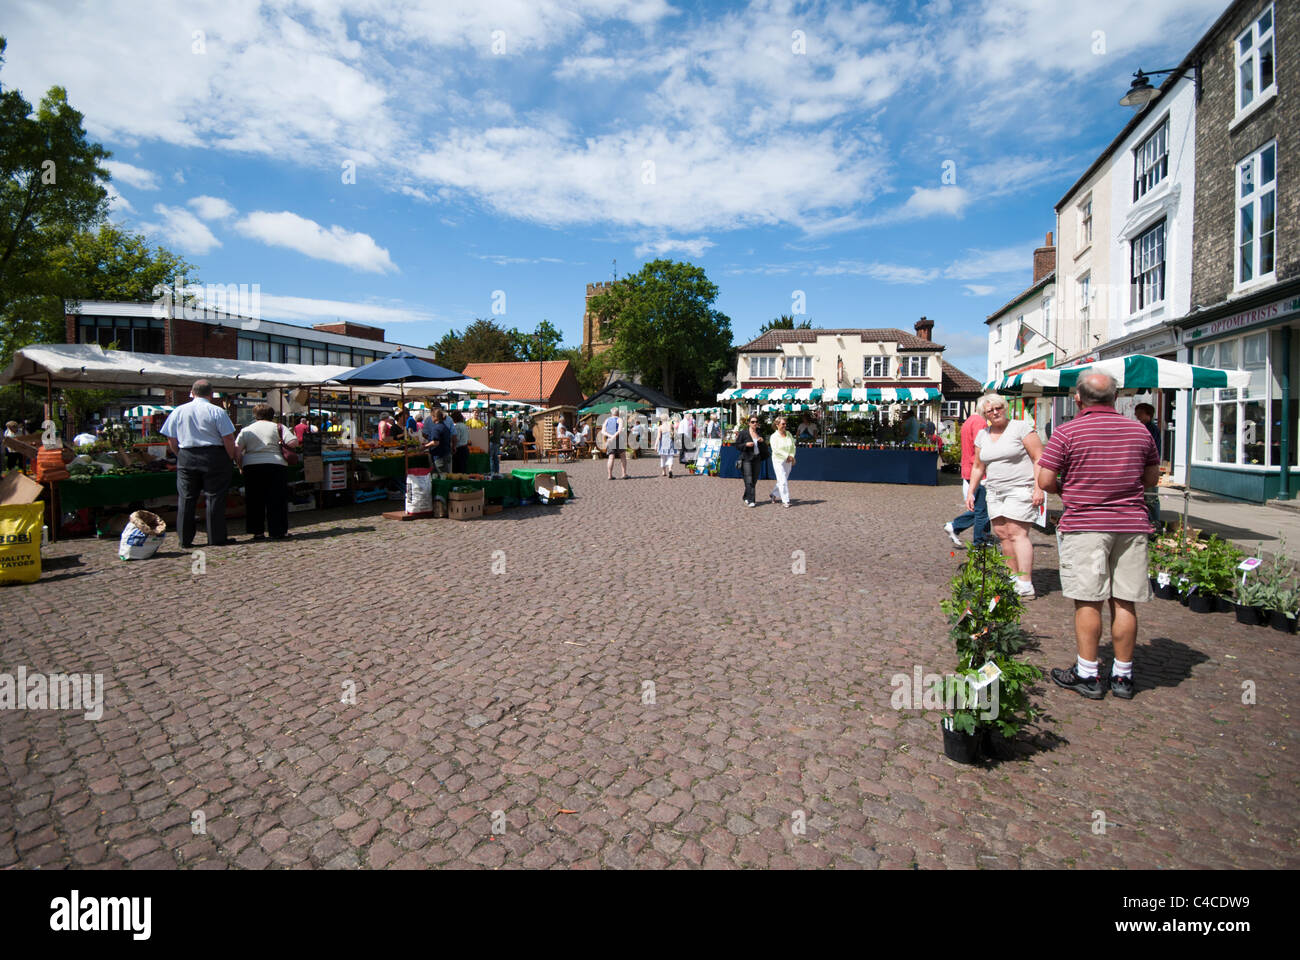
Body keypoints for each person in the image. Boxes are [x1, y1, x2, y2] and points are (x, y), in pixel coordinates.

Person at [1038, 371, 1159, 701]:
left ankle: (1088, 673)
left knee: (1088, 599)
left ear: (1078, 399)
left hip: (1086, 523)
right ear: (1116, 398)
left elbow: (1046, 480)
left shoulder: (1067, 433)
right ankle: (1122, 675)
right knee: (1125, 600)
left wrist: (1071, 488)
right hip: (1131, 523)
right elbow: (1150, 478)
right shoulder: (1140, 432)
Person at [966, 394, 1044, 598]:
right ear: (985, 415)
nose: (995, 413)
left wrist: (1039, 487)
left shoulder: (1020, 428)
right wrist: (971, 491)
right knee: (1002, 534)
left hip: (1020, 488)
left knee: (1017, 533)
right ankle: (1012, 578)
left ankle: (1026, 583)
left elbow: (1039, 457)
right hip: (994, 490)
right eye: (989, 411)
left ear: (1005, 407)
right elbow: (978, 465)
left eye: (998, 408)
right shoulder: (983, 435)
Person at [160, 379, 241, 547]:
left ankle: (185, 539)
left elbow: (171, 438)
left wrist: (179, 454)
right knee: (215, 498)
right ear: (211, 394)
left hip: (187, 454)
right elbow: (228, 438)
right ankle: (216, 538)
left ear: (192, 392)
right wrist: (230, 456)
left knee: (186, 498)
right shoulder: (217, 411)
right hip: (214, 455)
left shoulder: (179, 411)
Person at [234, 403, 296, 541]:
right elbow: (293, 442)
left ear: (254, 415)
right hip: (276, 464)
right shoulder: (278, 427)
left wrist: (240, 465)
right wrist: (280, 443)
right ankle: (277, 531)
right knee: (276, 499)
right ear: (272, 415)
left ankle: (257, 532)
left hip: (252, 465)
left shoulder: (247, 430)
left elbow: (237, 451)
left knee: (254, 500)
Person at [944, 407, 996, 550]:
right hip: (978, 470)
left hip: (969, 467)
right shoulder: (980, 424)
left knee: (981, 508)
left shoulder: (969, 421)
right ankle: (978, 541)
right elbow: (982, 449)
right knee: (982, 510)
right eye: (992, 409)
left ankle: (982, 537)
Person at [1134, 402, 1162, 532]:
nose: (1136, 415)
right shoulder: (1143, 428)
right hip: (1142, 467)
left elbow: (1150, 450)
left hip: (1148, 468)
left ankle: (1155, 523)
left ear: (1148, 414)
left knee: (1150, 497)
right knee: (1145, 497)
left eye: (1139, 413)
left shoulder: (1150, 429)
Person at [735, 415, 768, 507]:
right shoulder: (743, 433)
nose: (755, 423)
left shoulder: (759, 432)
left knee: (754, 480)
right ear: (749, 423)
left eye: (756, 422)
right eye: (752, 422)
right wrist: (746, 444)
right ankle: (751, 500)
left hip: (757, 458)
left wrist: (762, 441)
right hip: (747, 458)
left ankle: (746, 496)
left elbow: (765, 446)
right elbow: (737, 445)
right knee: (748, 478)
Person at [768, 416, 796, 507]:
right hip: (778, 460)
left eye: (785, 424)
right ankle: (786, 500)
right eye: (783, 424)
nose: (785, 425)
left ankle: (774, 494)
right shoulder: (773, 436)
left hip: (788, 460)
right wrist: (786, 456)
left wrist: (791, 456)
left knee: (782, 480)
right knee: (783, 480)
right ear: (777, 424)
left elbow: (793, 446)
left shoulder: (789, 434)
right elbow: (775, 450)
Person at [422, 408, 454, 474]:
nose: (431, 418)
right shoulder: (445, 427)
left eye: (431, 416)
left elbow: (435, 442)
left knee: (442, 476)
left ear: (435, 417)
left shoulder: (436, 428)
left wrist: (425, 446)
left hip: (439, 456)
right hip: (447, 453)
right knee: (446, 475)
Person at [603, 407, 628, 479]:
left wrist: (610, 436)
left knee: (611, 457)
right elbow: (619, 430)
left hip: (609, 439)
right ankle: (624, 474)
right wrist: (613, 437)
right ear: (618, 413)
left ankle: (609, 475)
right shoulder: (619, 419)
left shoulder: (607, 420)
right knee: (623, 456)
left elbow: (603, 431)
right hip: (619, 439)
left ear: (611, 413)